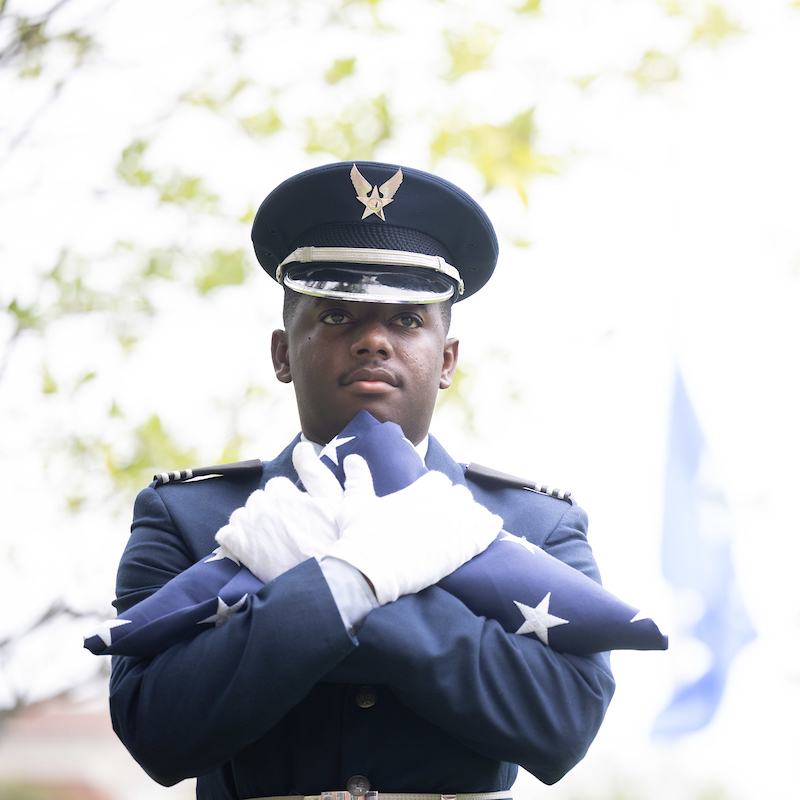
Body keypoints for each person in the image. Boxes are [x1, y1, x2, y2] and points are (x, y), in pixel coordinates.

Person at [109, 161, 615, 800]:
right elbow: (153, 729)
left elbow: (564, 725)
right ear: (282, 353)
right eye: (337, 315)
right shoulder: (187, 516)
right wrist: (359, 583)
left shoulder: (536, 527)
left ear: (447, 361)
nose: (373, 339)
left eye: (407, 321)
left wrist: (326, 584)